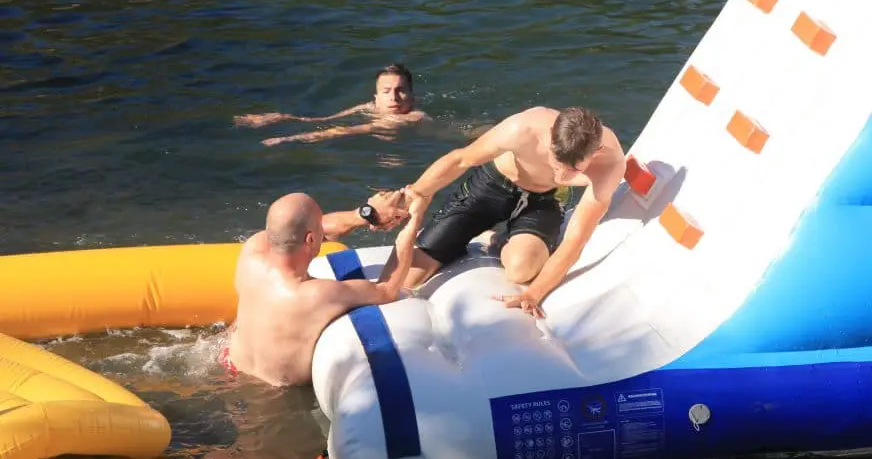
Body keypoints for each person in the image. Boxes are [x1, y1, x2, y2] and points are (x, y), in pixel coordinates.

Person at [384, 106, 626, 319]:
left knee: (521, 271)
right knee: (410, 278)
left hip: (543, 200)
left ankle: (499, 239)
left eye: (573, 171)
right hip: (492, 184)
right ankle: (463, 236)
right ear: (550, 139)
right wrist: (410, 196)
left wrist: (533, 294)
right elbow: (460, 160)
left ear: (595, 152)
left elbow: (575, 239)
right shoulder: (523, 128)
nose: (562, 176)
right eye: (556, 164)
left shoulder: (610, 164)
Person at [222, 188, 429, 386]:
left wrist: (368, 214)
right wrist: (413, 222)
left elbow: (295, 229)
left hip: (230, 365)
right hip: (273, 393)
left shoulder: (252, 250)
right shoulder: (316, 294)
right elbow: (387, 291)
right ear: (311, 238)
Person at [233, 63, 427, 146]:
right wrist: (283, 117)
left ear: (412, 96)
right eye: (386, 91)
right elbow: (323, 120)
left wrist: (290, 138)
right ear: (376, 97)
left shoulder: (414, 117)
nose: (393, 97)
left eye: (400, 90)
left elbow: (351, 130)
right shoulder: (370, 107)